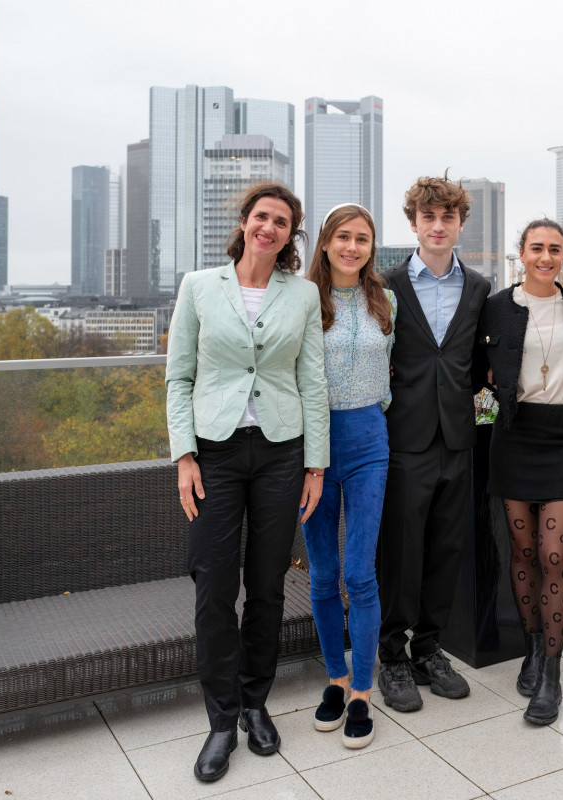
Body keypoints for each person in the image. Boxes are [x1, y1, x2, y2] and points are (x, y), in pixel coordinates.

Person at [166, 182, 328, 782]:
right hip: (215, 453)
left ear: (291, 234)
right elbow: (178, 377)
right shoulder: (199, 287)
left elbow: (312, 382)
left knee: (266, 584)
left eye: (282, 221)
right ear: (244, 221)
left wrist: (316, 464)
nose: (270, 228)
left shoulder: (303, 293)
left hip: (283, 452)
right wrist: (185, 456)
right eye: (262, 216)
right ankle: (221, 719)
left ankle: (256, 702)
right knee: (213, 583)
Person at [376, 174, 491, 713]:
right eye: (429, 218)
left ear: (461, 223)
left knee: (447, 549)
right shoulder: (386, 285)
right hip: (404, 437)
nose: (438, 226)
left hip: (459, 438)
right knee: (401, 551)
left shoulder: (480, 287)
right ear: (415, 223)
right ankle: (392, 657)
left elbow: (482, 365)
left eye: (448, 217)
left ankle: (429, 650)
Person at [477, 219, 563, 724]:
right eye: (536, 248)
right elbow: (478, 376)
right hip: (514, 435)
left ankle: (552, 672)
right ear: (520, 254)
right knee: (524, 553)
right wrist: (483, 421)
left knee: (554, 554)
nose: (545, 257)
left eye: (555, 249)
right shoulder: (498, 306)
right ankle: (531, 647)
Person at [302, 203, 395, 749]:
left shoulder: (386, 302)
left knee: (359, 573)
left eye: (362, 238)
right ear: (325, 242)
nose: (352, 247)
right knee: (321, 572)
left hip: (368, 443)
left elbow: (394, 372)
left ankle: (362, 689)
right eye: (343, 236)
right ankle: (333, 678)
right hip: (311, 446)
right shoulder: (302, 299)